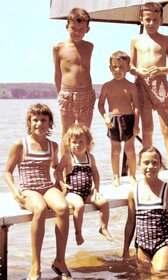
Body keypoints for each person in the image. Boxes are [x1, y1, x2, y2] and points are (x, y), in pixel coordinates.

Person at [4, 103, 71, 280]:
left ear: (50, 123)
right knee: (40, 209)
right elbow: (7, 172)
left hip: (47, 186)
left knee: (64, 208)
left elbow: (56, 168)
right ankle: (35, 265)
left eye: (44, 120)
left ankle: (60, 260)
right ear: (29, 121)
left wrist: (61, 182)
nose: (39, 124)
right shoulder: (20, 144)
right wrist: (14, 190)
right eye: (35, 120)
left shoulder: (53, 146)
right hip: (28, 189)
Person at [129, 2, 168, 185]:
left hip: (160, 83)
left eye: (155, 20)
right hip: (142, 84)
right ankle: (147, 170)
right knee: (147, 129)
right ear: (141, 19)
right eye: (148, 19)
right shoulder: (136, 40)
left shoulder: (165, 39)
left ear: (161, 20)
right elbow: (131, 66)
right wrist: (138, 71)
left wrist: (160, 70)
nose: (151, 23)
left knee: (167, 129)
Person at [122, 146, 168, 272]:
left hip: (163, 243)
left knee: (159, 274)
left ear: (160, 165)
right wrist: (125, 250)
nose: (150, 166)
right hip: (142, 246)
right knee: (144, 275)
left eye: (155, 163)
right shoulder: (134, 191)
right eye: (146, 163)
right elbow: (130, 223)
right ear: (139, 165)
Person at [55, 123, 113, 246]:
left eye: (81, 142)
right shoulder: (68, 157)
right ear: (69, 143)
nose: (77, 145)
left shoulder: (90, 158)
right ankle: (78, 233)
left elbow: (96, 174)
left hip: (88, 192)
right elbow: (58, 171)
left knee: (104, 202)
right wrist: (62, 184)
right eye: (74, 142)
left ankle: (103, 228)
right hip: (73, 193)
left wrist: (96, 189)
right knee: (79, 206)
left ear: (88, 143)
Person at [53, 8, 96, 154]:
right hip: (67, 94)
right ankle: (64, 171)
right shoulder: (58, 47)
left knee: (85, 133)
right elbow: (57, 73)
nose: (77, 32)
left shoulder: (89, 46)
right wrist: (60, 94)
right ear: (67, 27)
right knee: (67, 133)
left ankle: (84, 168)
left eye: (81, 29)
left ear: (87, 29)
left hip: (86, 94)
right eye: (73, 28)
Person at [98, 51, 140, 187]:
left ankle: (133, 176)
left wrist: (136, 125)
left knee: (130, 150)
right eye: (115, 67)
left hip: (129, 120)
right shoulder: (106, 86)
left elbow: (136, 107)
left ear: (128, 68)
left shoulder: (131, 86)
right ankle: (116, 177)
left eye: (122, 67)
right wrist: (105, 117)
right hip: (112, 121)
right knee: (115, 150)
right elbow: (100, 105)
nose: (118, 70)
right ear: (110, 68)